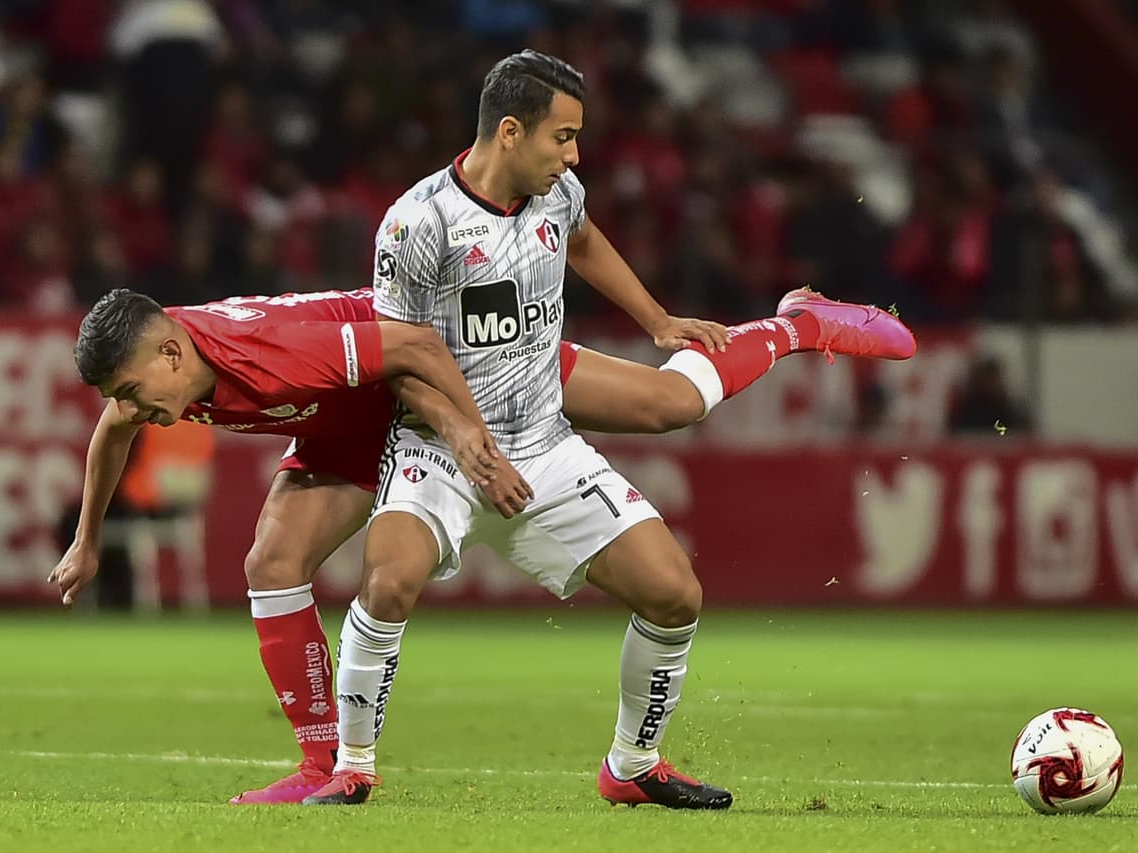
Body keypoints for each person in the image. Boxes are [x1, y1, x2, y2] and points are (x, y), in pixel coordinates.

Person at [300, 50, 916, 811]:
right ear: (511, 131)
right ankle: (352, 766)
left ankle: (633, 764)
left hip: (543, 436)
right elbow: (401, 358)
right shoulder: (418, 222)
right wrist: (468, 444)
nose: (575, 154)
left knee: (674, 592)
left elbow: (583, 236)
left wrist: (656, 319)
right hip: (444, 445)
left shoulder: (557, 191)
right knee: (389, 580)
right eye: (563, 137)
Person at [54, 277, 913, 807]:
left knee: (665, 404)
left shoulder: (272, 351)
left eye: (137, 389)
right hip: (353, 429)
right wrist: (89, 541)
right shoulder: (156, 374)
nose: (135, 408)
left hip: (462, 366)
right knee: (271, 563)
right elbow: (113, 431)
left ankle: (797, 323)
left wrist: (474, 443)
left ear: (171, 349)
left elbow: (418, 346)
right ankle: (325, 764)